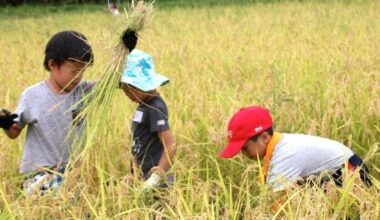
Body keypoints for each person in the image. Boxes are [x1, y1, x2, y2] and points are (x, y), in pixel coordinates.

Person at [0, 30, 94, 195]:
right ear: (52, 65)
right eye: (74, 71)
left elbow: (115, 80)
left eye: (83, 71)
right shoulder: (33, 96)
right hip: (40, 173)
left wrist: (125, 50)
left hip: (74, 171)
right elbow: (15, 132)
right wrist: (5, 123)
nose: (79, 76)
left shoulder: (83, 92)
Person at [219, 106, 372, 192]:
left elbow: (277, 207)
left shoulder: (285, 156)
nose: (243, 153)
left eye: (245, 148)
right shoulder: (278, 146)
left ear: (264, 137)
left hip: (350, 174)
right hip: (329, 175)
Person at [119, 49, 176, 189]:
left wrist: (156, 177)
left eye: (129, 90)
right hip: (140, 175)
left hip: (153, 180)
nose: (128, 95)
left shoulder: (155, 108)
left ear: (140, 85)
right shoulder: (144, 104)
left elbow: (171, 146)